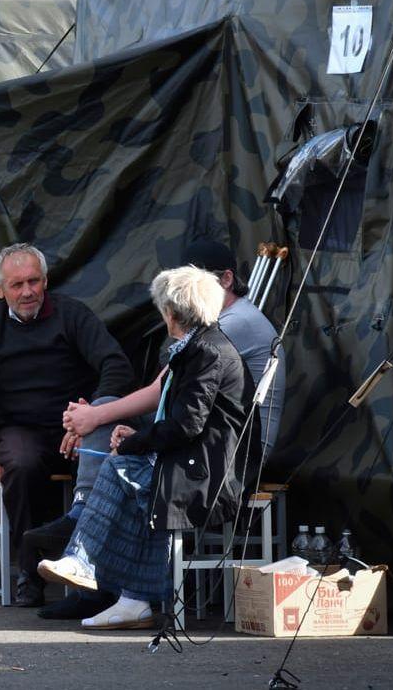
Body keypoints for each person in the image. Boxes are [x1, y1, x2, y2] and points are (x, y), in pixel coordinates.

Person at [32, 239, 283, 619]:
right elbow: (179, 409)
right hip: (206, 449)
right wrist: (127, 435)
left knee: (126, 470)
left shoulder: (216, 342)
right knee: (124, 463)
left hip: (223, 461)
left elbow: (182, 420)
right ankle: (120, 587)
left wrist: (132, 440)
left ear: (172, 311)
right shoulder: (200, 344)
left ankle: (91, 560)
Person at [0, 243, 135, 607]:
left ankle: (102, 576)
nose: (27, 292)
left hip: (77, 426)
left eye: (34, 281)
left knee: (114, 460)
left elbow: (116, 365)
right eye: (17, 284)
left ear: (46, 281)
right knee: (19, 464)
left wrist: (90, 414)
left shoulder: (72, 315)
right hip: (21, 430)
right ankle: (30, 573)